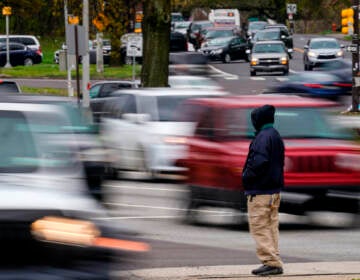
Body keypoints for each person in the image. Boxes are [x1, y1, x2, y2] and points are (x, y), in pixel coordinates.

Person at [242, 104, 285, 276]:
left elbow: (258, 162)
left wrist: (246, 177)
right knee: (271, 227)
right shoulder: (275, 135)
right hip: (274, 190)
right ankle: (274, 258)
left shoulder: (262, 138)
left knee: (259, 227)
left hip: (260, 191)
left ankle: (271, 262)